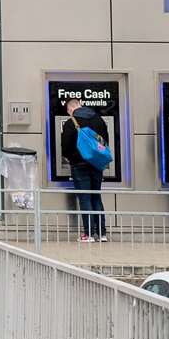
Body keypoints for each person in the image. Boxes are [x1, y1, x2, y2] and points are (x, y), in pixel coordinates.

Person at [61, 98, 110, 243]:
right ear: (80, 105)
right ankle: (102, 234)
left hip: (79, 164)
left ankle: (88, 234)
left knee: (85, 198)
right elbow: (104, 141)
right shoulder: (99, 120)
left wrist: (72, 158)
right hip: (96, 163)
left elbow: (66, 146)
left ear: (71, 109)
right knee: (96, 196)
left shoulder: (71, 122)